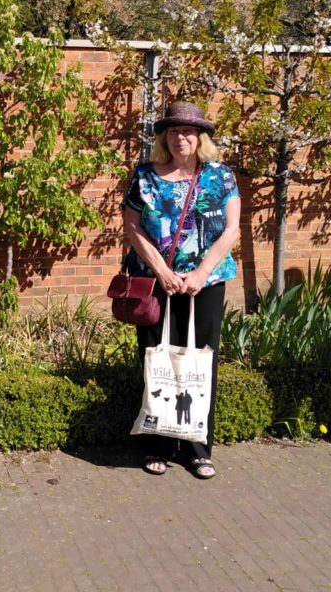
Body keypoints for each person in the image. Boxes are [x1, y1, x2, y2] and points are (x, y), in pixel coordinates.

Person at [122, 102, 241, 479]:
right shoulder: (144, 175)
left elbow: (232, 230)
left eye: (188, 131)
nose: (181, 137)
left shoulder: (220, 177)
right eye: (173, 131)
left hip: (205, 283)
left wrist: (201, 274)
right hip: (157, 283)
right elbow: (133, 227)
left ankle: (197, 448)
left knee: (200, 361)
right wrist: (162, 271)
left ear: (201, 137)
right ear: (164, 137)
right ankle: (157, 444)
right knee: (157, 358)